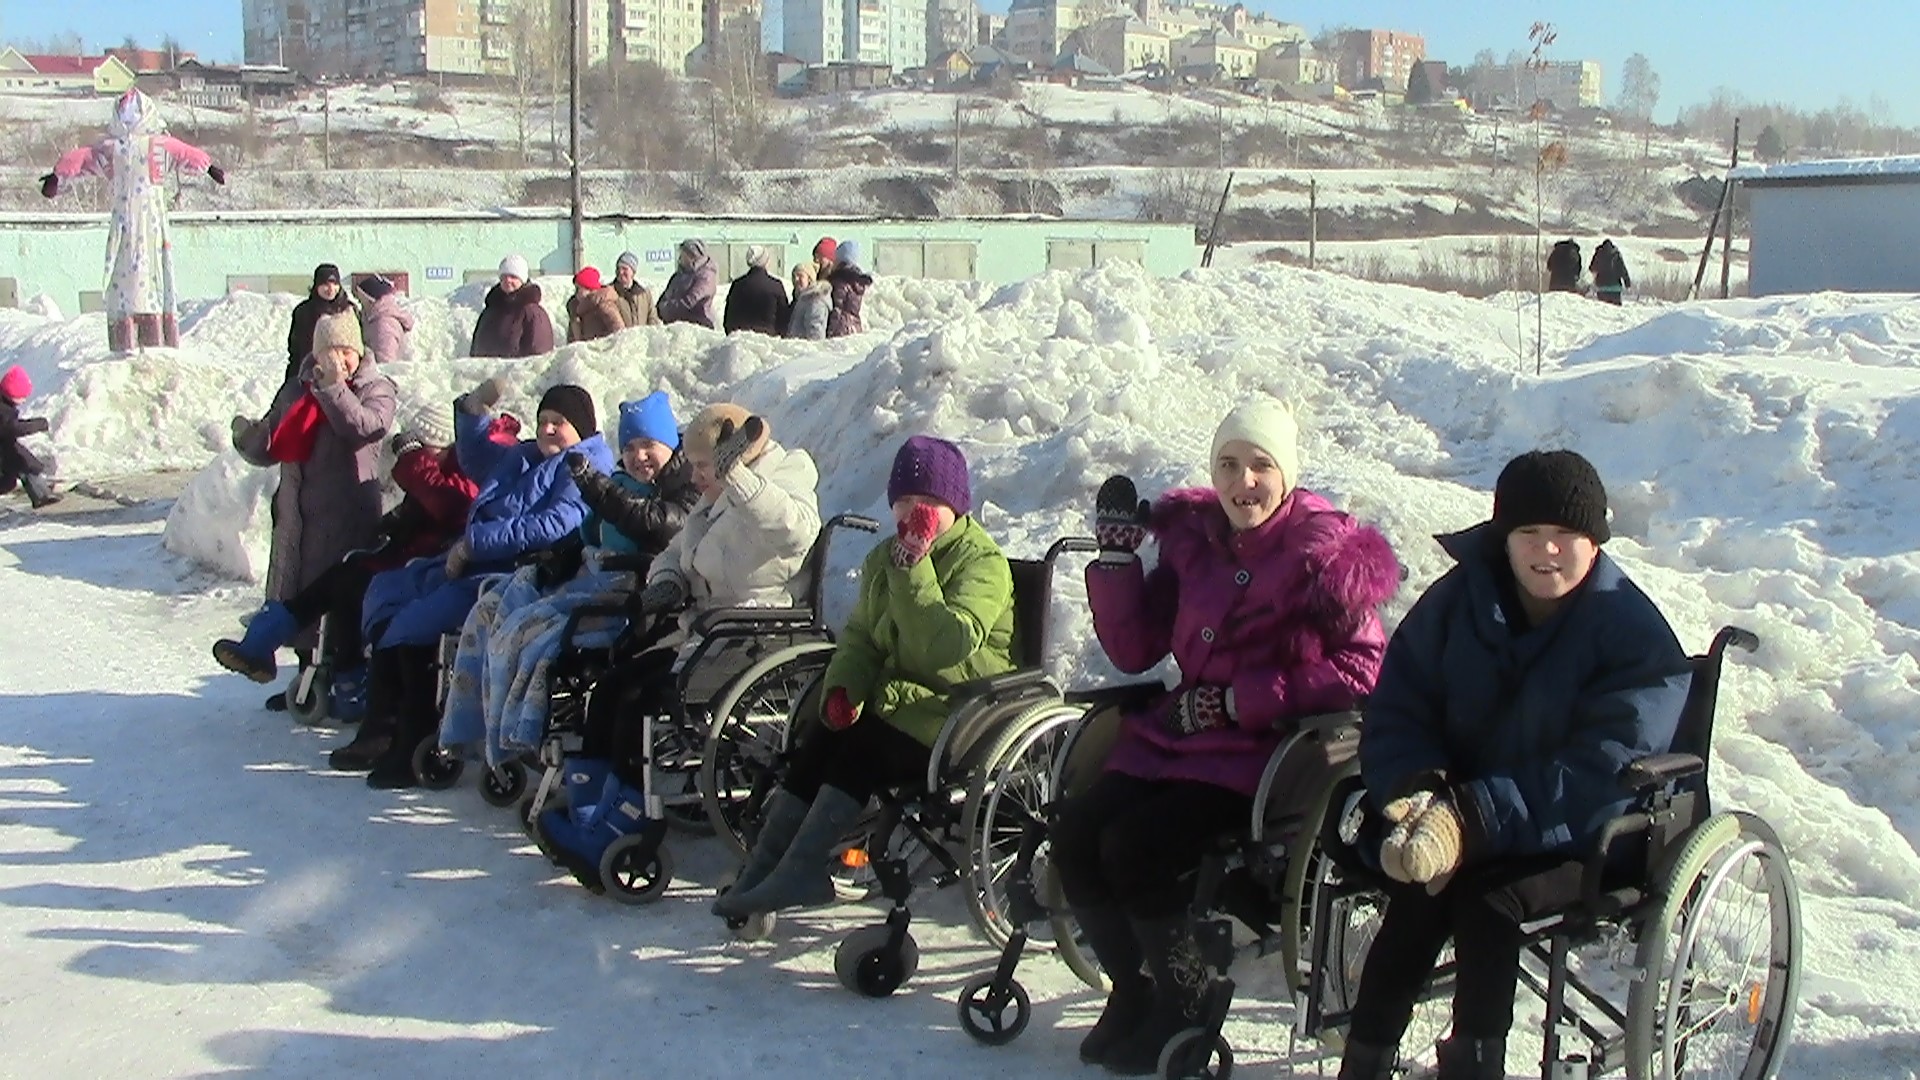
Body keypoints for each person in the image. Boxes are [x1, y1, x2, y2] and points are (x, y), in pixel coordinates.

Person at [1049, 399, 1402, 1075]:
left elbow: (1363, 669)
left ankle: (1186, 1000)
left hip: (1261, 754)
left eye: (1261, 466)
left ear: (1287, 474)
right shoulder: (1196, 542)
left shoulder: (1327, 554)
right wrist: (1118, 566)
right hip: (1172, 739)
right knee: (1074, 835)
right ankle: (1136, 987)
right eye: (1229, 465)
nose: (1244, 483)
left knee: (1134, 848)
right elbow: (1135, 650)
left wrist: (1238, 702)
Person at [1337, 450, 1692, 1080]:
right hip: (1464, 808)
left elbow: (1605, 767)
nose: (1546, 551)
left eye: (1565, 536)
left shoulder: (1632, 633)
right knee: (1419, 889)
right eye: (1529, 533)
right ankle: (1363, 1060)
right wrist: (1422, 790)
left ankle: (1475, 1066)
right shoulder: (1456, 602)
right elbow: (1399, 706)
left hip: (1581, 832)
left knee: (1485, 902)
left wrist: (1472, 817)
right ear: (1504, 537)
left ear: (1595, 541)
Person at [712, 436, 1016, 922]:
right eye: (906, 503)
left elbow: (945, 648)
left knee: (863, 747)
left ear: (956, 507)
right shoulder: (884, 560)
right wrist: (843, 690)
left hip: (957, 710)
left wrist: (915, 571)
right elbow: (861, 639)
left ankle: (804, 868)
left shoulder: (982, 564)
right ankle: (765, 865)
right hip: (900, 702)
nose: (917, 514)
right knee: (823, 737)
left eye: (930, 504)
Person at [537, 404, 820, 888]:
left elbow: (796, 530)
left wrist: (736, 480)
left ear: (737, 460)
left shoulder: (784, 481)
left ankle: (622, 823)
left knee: (639, 705)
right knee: (612, 686)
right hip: (709, 631)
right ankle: (589, 810)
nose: (695, 475)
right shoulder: (713, 499)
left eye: (705, 467)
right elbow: (675, 551)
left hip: (752, 636)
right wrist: (666, 582)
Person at [331, 379, 612, 788]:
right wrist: (474, 411)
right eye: (544, 420)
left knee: (413, 624)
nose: (549, 429)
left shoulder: (580, 467)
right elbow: (478, 457)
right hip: (473, 561)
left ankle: (411, 736)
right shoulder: (528, 455)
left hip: (516, 574)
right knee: (385, 591)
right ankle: (381, 725)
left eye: (560, 423)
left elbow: (554, 526)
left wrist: (475, 543)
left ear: (582, 429)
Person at [439, 390, 700, 767]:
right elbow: (584, 534)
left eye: (649, 445)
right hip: (592, 578)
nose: (639, 456)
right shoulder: (617, 481)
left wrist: (597, 491)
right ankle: (474, 727)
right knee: (499, 613)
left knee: (529, 634)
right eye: (630, 448)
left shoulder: (684, 486)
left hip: (635, 595)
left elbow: (658, 524)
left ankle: (517, 734)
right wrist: (559, 558)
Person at [212, 404, 479, 719]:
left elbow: (447, 503)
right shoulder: (439, 467)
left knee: (351, 583)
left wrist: (412, 457)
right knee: (344, 575)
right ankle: (269, 643)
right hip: (410, 560)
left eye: (425, 445)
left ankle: (338, 671)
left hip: (433, 568)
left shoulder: (464, 467)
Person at [231, 313, 398, 709]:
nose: (340, 359)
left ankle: (341, 680)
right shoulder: (298, 390)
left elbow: (364, 426)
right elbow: (275, 441)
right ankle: (304, 676)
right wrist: (248, 438)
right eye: (331, 351)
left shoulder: (375, 388)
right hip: (298, 513)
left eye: (346, 351)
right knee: (297, 594)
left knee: (336, 600)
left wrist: (334, 388)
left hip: (346, 512)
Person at [38, 88, 224, 353]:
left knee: (146, 274)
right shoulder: (116, 148)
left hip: (145, 221)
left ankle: (149, 337)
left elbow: (185, 153)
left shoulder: (151, 145)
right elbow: (82, 158)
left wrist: (209, 167)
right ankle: (133, 338)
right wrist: (58, 176)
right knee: (131, 273)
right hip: (132, 220)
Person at [470, 255, 555, 358]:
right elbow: (475, 349)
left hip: (516, 373)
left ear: (522, 280)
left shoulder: (533, 313)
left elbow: (539, 356)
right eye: (504, 277)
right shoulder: (489, 311)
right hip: (485, 372)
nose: (508, 280)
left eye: (513, 277)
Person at [0, 365, 60, 509]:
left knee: (18, 471)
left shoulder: (4, 404)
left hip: (5, 445)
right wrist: (38, 424)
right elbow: (13, 428)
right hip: (4, 448)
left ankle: (41, 494)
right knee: (24, 465)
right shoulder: (3, 410)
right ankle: (41, 495)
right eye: (23, 396)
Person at [287, 264, 356, 381]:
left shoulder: (348, 310)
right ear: (316, 285)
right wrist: (293, 379)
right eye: (325, 284)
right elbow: (295, 350)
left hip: (343, 375)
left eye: (335, 284)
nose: (330, 289)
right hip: (309, 374)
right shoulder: (303, 312)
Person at [723, 245, 791, 336]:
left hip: (741, 340)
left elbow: (729, 318)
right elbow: (783, 319)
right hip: (768, 340)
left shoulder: (737, 285)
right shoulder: (775, 285)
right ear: (765, 261)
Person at [655, 239, 717, 328]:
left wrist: (666, 310)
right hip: (675, 326)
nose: (680, 257)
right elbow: (664, 297)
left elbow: (690, 302)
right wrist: (659, 309)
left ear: (692, 256)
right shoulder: (678, 275)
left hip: (698, 326)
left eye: (683, 254)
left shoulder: (706, 276)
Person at [356, 275, 412, 364]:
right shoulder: (374, 317)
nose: (359, 303)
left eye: (361, 300)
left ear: (370, 300)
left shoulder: (383, 327)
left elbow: (385, 364)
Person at [566, 266, 629, 344]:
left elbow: (619, 331)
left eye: (579, 289)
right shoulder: (576, 310)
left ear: (590, 289)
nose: (576, 293)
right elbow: (571, 339)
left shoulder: (604, 305)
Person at [825, 240, 872, 338]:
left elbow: (837, 309)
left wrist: (831, 332)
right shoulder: (858, 280)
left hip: (840, 329)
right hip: (855, 326)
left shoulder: (840, 280)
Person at [609, 251, 661, 329]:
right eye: (618, 268)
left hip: (641, 339)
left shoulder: (644, 294)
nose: (620, 272)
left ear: (633, 272)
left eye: (624, 269)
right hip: (620, 340)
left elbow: (653, 319)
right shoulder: (610, 293)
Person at [787, 263, 830, 340]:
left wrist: (811, 350)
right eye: (794, 276)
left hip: (806, 350)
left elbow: (815, 333)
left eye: (800, 276)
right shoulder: (801, 300)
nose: (796, 279)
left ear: (810, 279)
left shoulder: (816, 300)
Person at [1590, 240, 1632, 306]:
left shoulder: (1599, 254)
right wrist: (1627, 283)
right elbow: (1623, 270)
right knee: (1616, 310)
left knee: (1603, 310)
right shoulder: (1616, 254)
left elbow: (1592, 268)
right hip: (1615, 288)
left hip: (1602, 287)